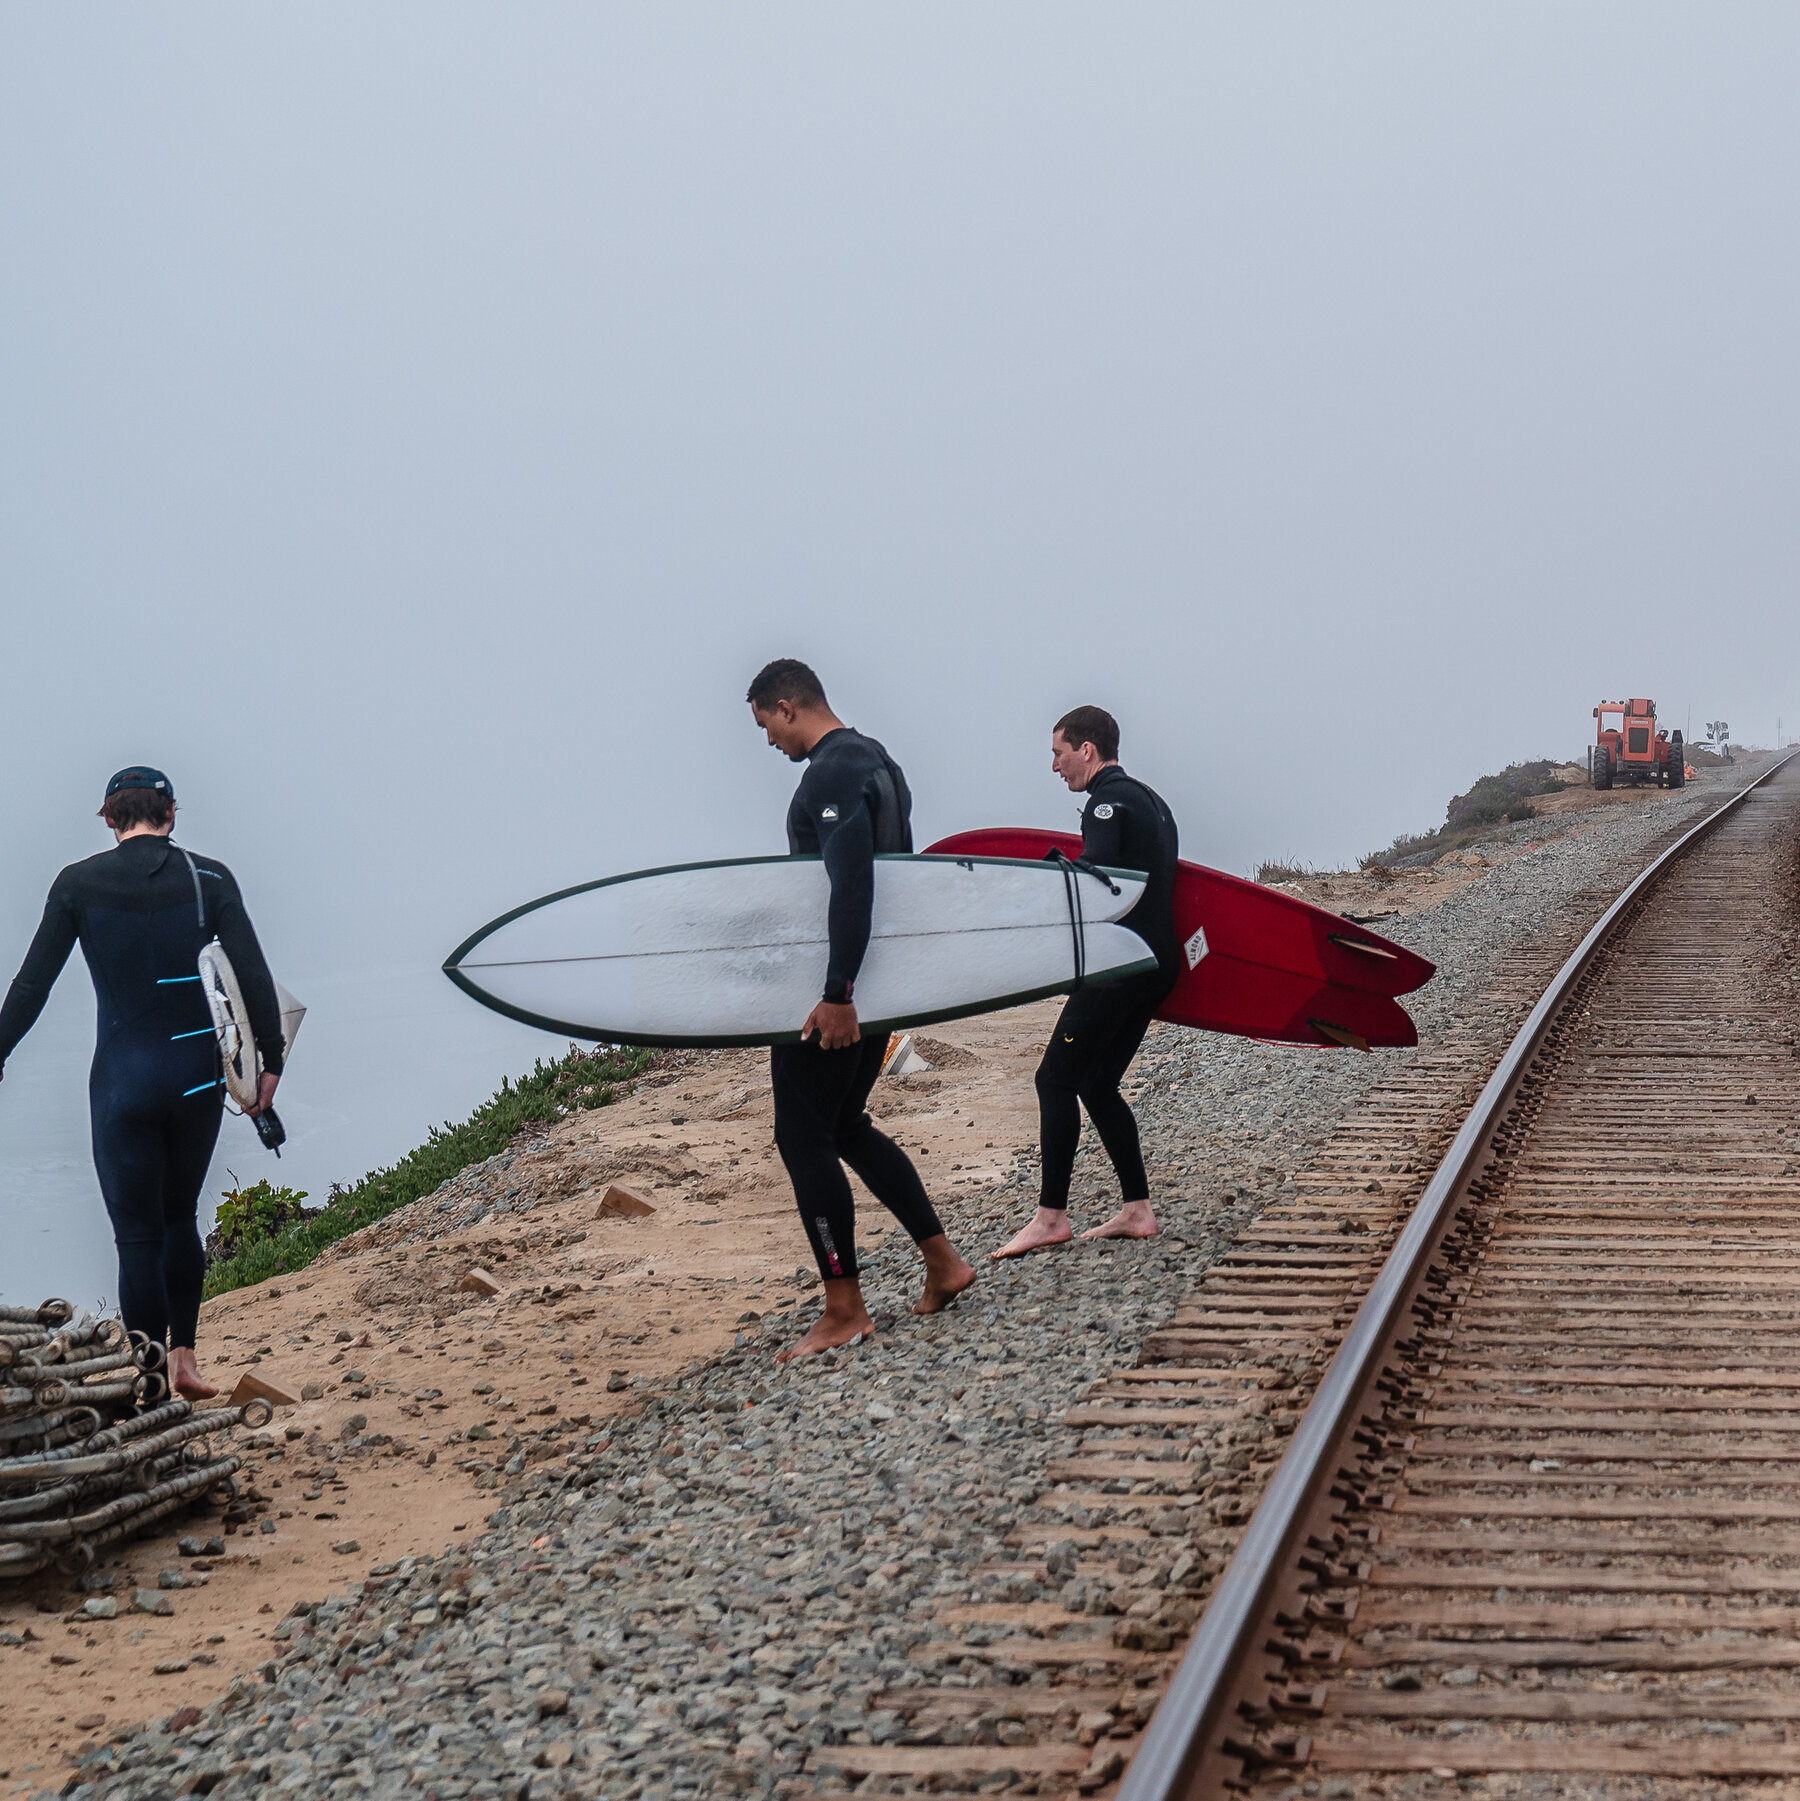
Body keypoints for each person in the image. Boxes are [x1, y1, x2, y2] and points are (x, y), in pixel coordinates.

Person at [0, 768, 284, 1400]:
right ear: (172, 812)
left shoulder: (76, 884)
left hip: (122, 1082)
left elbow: (31, 987)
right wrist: (270, 1066)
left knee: (136, 1234)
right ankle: (185, 1355)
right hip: (193, 1078)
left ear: (108, 819)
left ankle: (151, 1376)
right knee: (179, 1215)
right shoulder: (209, 878)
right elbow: (254, 977)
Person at [747, 659, 976, 1360]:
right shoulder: (880, 761)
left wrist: (837, 992)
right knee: (846, 1124)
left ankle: (844, 1307)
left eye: (765, 726)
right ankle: (943, 1262)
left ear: (788, 706)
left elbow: (853, 882)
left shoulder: (831, 772)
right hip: (877, 985)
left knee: (803, 1135)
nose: (769, 743)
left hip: (840, 994)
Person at [995, 706, 1179, 1257]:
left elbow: (1100, 889)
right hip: (1157, 963)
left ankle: (1051, 1217)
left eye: (1058, 752)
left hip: (1117, 966)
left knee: (1054, 1081)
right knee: (1096, 1085)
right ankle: (1137, 1210)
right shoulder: (1152, 802)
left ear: (1087, 750)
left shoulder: (1103, 803)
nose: (1055, 766)